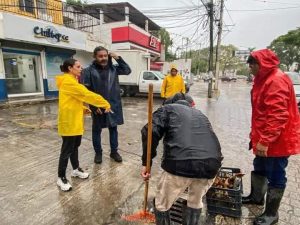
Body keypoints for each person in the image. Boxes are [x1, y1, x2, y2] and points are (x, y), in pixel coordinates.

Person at [140, 93, 223, 225]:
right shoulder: (200, 115)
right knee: (195, 201)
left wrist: (146, 163)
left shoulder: (166, 109)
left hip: (179, 164)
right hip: (211, 164)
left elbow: (149, 131)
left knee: (161, 203)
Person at [242, 49, 300, 225]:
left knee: (275, 174)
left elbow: (278, 115)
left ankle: (271, 214)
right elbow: (261, 112)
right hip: (264, 136)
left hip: (277, 141)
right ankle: (257, 197)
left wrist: (266, 140)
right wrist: (257, 136)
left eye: (252, 63)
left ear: (262, 64)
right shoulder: (263, 79)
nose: (250, 67)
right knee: (259, 166)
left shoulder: (276, 80)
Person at [56, 58, 111, 192]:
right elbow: (85, 94)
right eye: (78, 66)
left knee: (75, 147)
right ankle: (61, 177)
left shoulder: (73, 80)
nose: (81, 69)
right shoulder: (68, 81)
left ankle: (75, 170)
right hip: (68, 122)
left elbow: (73, 99)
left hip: (75, 121)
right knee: (66, 151)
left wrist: (83, 109)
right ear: (70, 68)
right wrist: (104, 103)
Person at [81, 47, 131, 164]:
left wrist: (118, 58)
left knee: (113, 128)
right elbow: (86, 91)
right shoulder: (88, 71)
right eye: (100, 56)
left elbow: (127, 70)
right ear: (95, 57)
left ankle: (114, 152)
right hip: (97, 106)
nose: (103, 58)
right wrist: (93, 107)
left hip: (113, 105)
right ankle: (98, 153)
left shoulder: (113, 69)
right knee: (96, 130)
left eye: (105, 55)